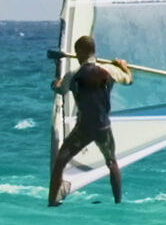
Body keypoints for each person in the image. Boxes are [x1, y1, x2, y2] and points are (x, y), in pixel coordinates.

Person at [48, 34, 132, 206]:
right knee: (112, 162)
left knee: (60, 163)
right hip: (103, 128)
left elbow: (60, 90)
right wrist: (123, 66)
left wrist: (54, 84)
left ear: (81, 51)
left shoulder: (74, 74)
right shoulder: (110, 71)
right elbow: (129, 80)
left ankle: (52, 203)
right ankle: (118, 202)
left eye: (77, 52)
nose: (76, 56)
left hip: (83, 129)